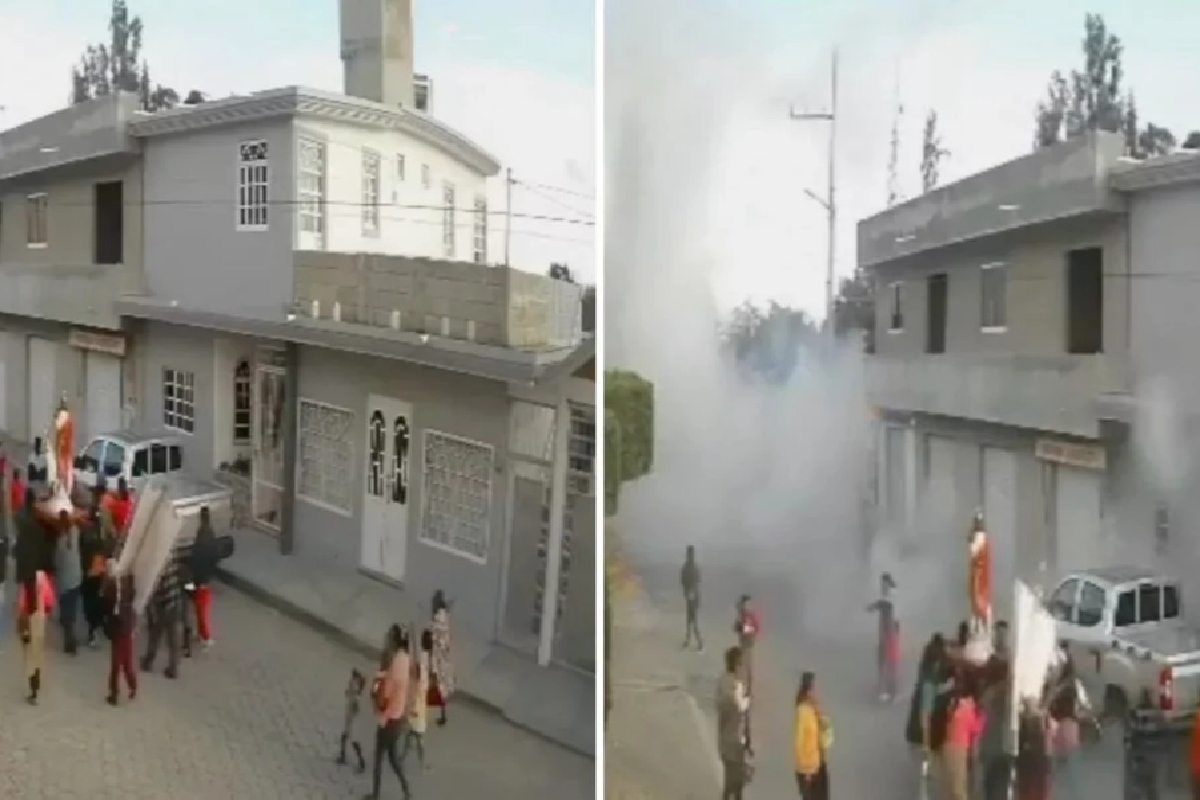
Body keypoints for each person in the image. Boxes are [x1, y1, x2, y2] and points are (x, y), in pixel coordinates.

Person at [365, 623, 412, 800]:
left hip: (389, 719)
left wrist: (376, 690)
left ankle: (375, 794)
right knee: (392, 758)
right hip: (398, 716)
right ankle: (406, 789)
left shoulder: (394, 665)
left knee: (379, 758)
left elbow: (384, 697)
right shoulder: (405, 658)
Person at [141, 544, 185, 678]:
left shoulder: (153, 562)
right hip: (174, 599)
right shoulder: (171, 552)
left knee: (155, 634)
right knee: (173, 637)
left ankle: (148, 662)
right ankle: (173, 668)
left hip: (160, 603)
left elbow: (151, 587)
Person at [942, 676, 985, 800]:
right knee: (959, 787)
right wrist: (982, 718)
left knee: (950, 783)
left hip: (947, 745)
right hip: (960, 747)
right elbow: (974, 728)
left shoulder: (953, 703)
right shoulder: (967, 707)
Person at [717, 646, 751, 800]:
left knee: (732, 781)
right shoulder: (734, 685)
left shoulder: (723, 680)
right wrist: (747, 700)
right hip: (734, 740)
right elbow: (738, 706)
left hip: (726, 737)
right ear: (736, 664)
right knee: (735, 782)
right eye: (741, 664)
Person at [16, 566, 54, 704]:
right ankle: (36, 684)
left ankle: (32, 688)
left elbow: (22, 605)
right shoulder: (44, 578)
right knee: (38, 653)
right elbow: (50, 602)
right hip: (41, 618)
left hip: (29, 620)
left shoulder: (26, 581)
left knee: (30, 655)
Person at [187, 505, 219, 649]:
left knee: (200, 609)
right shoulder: (210, 533)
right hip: (205, 578)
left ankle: (204, 635)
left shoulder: (201, 534)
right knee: (202, 608)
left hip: (199, 579)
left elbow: (196, 556)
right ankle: (202, 634)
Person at [794, 671, 830, 799]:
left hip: (819, 763)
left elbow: (826, 731)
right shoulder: (802, 712)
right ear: (808, 691)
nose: (816, 692)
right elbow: (799, 744)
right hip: (809, 769)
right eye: (814, 688)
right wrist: (806, 772)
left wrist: (820, 714)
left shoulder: (814, 709)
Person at [79, 503, 110, 647]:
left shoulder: (85, 531)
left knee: (89, 602)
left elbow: (82, 551)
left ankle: (93, 630)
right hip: (100, 572)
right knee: (98, 600)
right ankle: (98, 626)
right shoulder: (103, 533)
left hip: (89, 573)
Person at [105, 574, 138, 705]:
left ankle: (114, 693)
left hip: (118, 630)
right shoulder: (130, 592)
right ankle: (132, 687)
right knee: (126, 662)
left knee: (116, 665)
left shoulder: (114, 589)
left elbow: (107, 599)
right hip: (126, 630)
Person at [403, 628, 432, 769]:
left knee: (413, 734)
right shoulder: (425, 658)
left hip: (418, 702)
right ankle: (420, 762)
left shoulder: (423, 658)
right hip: (418, 703)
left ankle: (404, 758)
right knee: (417, 734)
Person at [54, 509, 83, 654]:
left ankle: (69, 642)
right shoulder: (75, 533)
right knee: (72, 612)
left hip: (65, 581)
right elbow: (75, 520)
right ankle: (71, 640)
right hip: (76, 578)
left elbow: (57, 563)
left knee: (66, 614)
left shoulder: (60, 541)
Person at [866, 573, 897, 702]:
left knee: (885, 660)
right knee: (884, 660)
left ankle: (887, 690)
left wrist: (872, 607)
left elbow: (883, 604)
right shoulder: (889, 595)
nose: (882, 585)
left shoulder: (888, 596)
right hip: (886, 632)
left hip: (888, 633)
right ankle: (887, 689)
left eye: (884, 583)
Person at [430, 589, 455, 727]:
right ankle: (442, 713)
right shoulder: (444, 615)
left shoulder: (437, 620)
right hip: (444, 656)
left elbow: (435, 639)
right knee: (442, 685)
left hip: (438, 658)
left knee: (437, 684)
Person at [336, 668, 367, 773]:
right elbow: (347, 693)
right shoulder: (354, 691)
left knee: (353, 742)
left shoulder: (357, 697)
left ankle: (362, 762)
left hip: (352, 721)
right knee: (344, 736)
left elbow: (356, 708)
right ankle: (343, 755)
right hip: (349, 719)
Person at [734, 595, 761, 697]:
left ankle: (748, 691)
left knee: (746, 667)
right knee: (742, 666)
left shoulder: (750, 616)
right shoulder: (742, 616)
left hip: (748, 643)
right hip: (743, 643)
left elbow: (756, 628)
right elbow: (736, 628)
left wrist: (744, 629)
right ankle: (743, 689)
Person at [680, 544, 703, 650]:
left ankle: (698, 641)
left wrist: (690, 592)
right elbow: (685, 581)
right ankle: (691, 640)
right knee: (690, 619)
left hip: (693, 596)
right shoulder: (691, 567)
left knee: (692, 619)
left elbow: (691, 581)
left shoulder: (690, 567)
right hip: (691, 595)